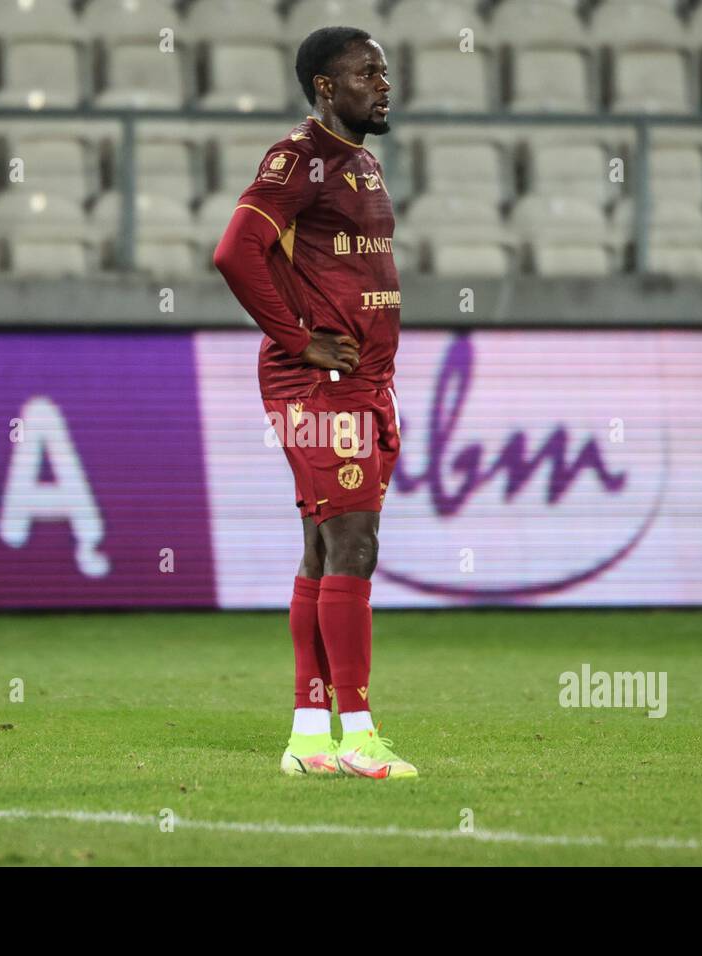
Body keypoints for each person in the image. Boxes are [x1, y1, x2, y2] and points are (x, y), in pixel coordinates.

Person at [213, 26, 416, 779]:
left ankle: (308, 736)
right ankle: (358, 736)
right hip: (320, 384)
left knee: (325, 548)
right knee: (355, 546)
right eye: (368, 73)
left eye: (386, 72)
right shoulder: (297, 160)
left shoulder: (358, 162)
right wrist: (301, 343)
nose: (384, 84)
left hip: (360, 383)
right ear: (325, 86)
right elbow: (234, 251)